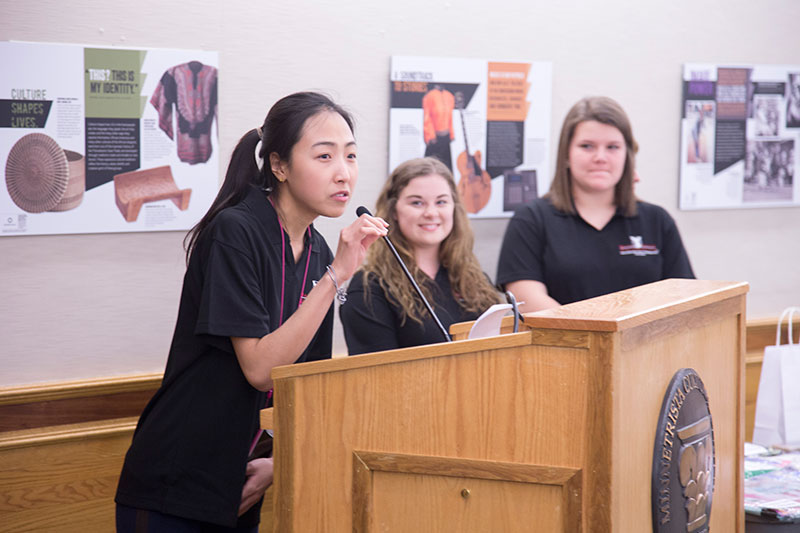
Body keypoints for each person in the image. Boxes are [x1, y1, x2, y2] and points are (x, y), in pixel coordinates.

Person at [114, 92, 387, 532]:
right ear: (278, 166)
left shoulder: (318, 249)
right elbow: (261, 368)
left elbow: (308, 380)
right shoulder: (236, 230)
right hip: (178, 475)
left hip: (243, 478)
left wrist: (278, 462)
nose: (344, 172)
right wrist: (338, 274)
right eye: (324, 156)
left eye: (351, 156)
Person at [496, 96, 694, 313]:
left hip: (646, 345)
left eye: (612, 147)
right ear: (566, 155)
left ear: (627, 156)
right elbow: (527, 300)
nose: (600, 157)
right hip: (567, 345)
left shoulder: (657, 221)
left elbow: (683, 297)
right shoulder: (531, 219)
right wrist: (600, 336)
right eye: (587, 146)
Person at [340, 157, 501, 355]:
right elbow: (377, 378)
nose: (431, 213)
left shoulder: (474, 279)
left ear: (454, 208)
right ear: (394, 211)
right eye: (417, 203)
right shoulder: (369, 288)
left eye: (441, 202)